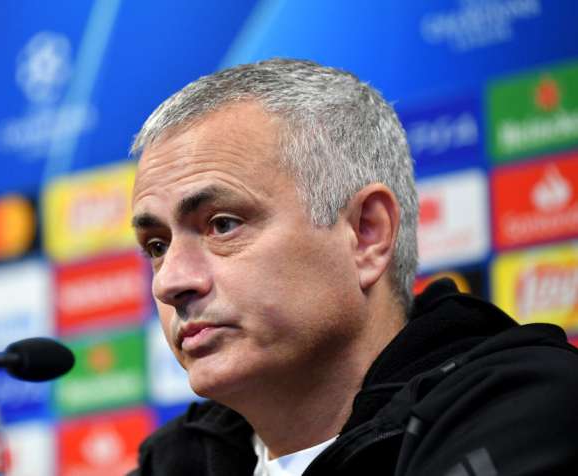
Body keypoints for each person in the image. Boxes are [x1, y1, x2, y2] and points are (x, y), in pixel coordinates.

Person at [128, 59, 578, 475]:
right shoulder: (175, 462)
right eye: (157, 246)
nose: (170, 282)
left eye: (222, 225)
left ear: (366, 234)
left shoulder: (528, 411)